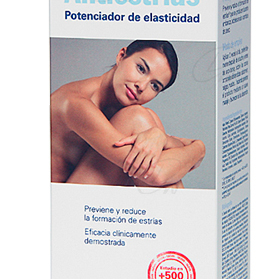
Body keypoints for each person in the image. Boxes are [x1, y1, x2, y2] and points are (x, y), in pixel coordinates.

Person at [50, 40, 205, 188]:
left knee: (148, 120)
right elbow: (157, 174)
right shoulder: (75, 104)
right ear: (121, 56)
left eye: (154, 86)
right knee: (137, 118)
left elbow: (170, 157)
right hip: (61, 203)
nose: (141, 86)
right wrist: (199, 149)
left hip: (92, 200)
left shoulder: (122, 111)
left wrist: (162, 138)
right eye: (141, 69)